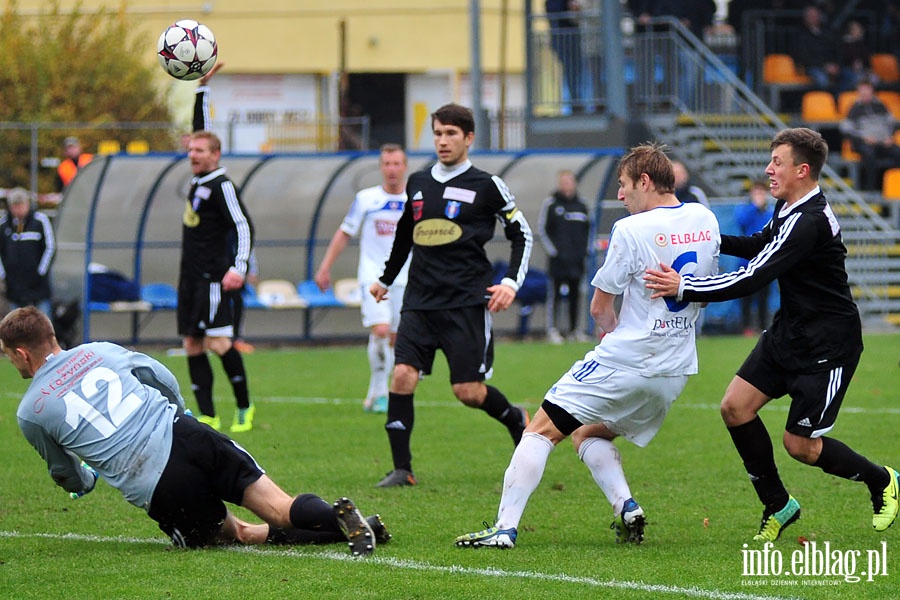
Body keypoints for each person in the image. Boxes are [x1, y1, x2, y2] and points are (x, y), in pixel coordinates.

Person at [455, 142, 720, 548]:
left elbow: (600, 308)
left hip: (628, 360)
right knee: (587, 434)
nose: (619, 194)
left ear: (644, 182)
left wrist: (611, 335)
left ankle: (504, 528)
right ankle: (626, 506)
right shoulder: (704, 217)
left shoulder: (631, 229)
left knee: (540, 429)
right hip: (676, 369)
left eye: (624, 184)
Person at [644, 127, 900, 541]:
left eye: (776, 162)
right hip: (790, 332)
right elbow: (761, 243)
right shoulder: (788, 208)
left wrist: (683, 287)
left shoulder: (810, 221)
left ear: (802, 169)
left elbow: (754, 276)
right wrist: (708, 239)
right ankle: (778, 504)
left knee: (800, 446)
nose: (768, 169)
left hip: (827, 344)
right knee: (735, 407)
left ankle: (882, 480)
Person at [0, 306, 388, 553]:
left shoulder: (32, 411)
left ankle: (345, 530)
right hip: (187, 433)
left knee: (239, 534)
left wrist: (82, 483)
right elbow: (158, 374)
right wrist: (181, 414)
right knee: (282, 509)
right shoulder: (99, 350)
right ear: (51, 335)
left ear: (20, 353)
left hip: (161, 482)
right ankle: (347, 523)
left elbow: (65, 473)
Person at [369, 103, 533, 488]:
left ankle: (516, 419)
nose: (442, 141)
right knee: (403, 374)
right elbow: (406, 234)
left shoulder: (488, 185)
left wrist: (510, 282)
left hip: (465, 303)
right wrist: (386, 278)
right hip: (420, 301)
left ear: (469, 138)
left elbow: (520, 234)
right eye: (438, 133)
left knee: (468, 392)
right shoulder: (418, 182)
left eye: (451, 134)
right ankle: (401, 469)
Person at [315, 144, 410, 413]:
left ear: (405, 167)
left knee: (394, 338)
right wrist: (325, 267)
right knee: (380, 330)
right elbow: (345, 232)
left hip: (405, 278)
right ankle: (382, 394)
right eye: (387, 164)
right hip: (373, 277)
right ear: (381, 167)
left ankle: (375, 390)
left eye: (396, 164)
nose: (391, 169)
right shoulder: (367, 199)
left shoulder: (415, 200)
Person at [179, 129, 256, 434]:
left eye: (200, 150)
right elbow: (202, 125)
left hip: (214, 278)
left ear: (215, 154)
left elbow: (244, 226)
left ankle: (244, 406)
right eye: (191, 149)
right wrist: (202, 88)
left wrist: (239, 267)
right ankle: (208, 415)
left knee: (219, 342)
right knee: (192, 344)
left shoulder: (222, 185)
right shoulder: (199, 182)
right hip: (190, 278)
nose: (193, 154)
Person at [537, 169, 590, 344]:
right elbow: (542, 230)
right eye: (564, 182)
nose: (567, 185)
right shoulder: (551, 204)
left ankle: (575, 330)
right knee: (556, 296)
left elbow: (588, 231)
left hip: (577, 260)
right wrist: (555, 252)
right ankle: (553, 330)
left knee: (576, 295)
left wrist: (584, 251)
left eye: (570, 181)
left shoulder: (582, 205)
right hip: (558, 262)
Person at [0, 187, 55, 316]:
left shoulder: (40, 221)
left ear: (27, 204)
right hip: (14, 285)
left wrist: (40, 272)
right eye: (15, 206)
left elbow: (50, 247)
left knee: (43, 326)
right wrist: (4, 275)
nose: (18, 210)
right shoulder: (4, 225)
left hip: (38, 284)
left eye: (21, 205)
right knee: (16, 326)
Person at [840, 77, 900, 190]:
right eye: (862, 91)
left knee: (897, 152)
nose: (865, 93)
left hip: (883, 141)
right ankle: (870, 187)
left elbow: (891, 123)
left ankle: (894, 185)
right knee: (869, 153)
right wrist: (863, 138)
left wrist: (890, 138)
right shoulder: (854, 108)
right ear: (858, 92)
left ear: (872, 91)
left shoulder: (881, 106)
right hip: (864, 143)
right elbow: (846, 129)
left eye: (867, 91)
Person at [733, 180, 774, 336]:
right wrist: (754, 206)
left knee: (764, 297)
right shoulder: (744, 210)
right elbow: (742, 222)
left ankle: (763, 327)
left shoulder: (770, 213)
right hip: (746, 261)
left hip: (765, 261)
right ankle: (746, 327)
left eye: (761, 192)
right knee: (746, 297)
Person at [545, 1, 585, 113]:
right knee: (570, 71)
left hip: (573, 40)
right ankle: (575, 101)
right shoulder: (553, 3)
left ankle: (577, 100)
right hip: (562, 40)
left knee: (576, 71)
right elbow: (555, 12)